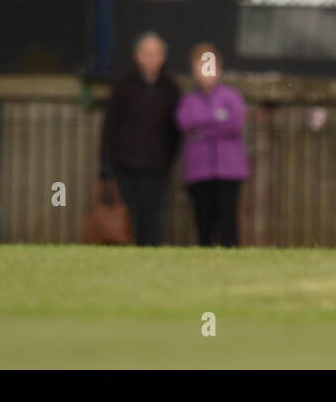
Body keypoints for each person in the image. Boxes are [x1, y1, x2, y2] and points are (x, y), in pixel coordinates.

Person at [99, 32, 181, 247]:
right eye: (146, 53)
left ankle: (149, 254)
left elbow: (175, 133)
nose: (151, 59)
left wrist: (167, 161)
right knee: (126, 214)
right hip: (124, 164)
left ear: (163, 57)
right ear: (137, 56)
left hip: (155, 167)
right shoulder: (123, 85)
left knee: (151, 216)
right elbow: (110, 125)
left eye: (156, 54)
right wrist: (106, 162)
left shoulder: (171, 88)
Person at [175, 43, 249, 247]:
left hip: (229, 171)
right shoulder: (189, 100)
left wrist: (203, 129)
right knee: (203, 222)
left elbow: (234, 124)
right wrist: (216, 122)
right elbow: (185, 124)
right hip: (200, 171)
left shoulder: (231, 96)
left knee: (228, 223)